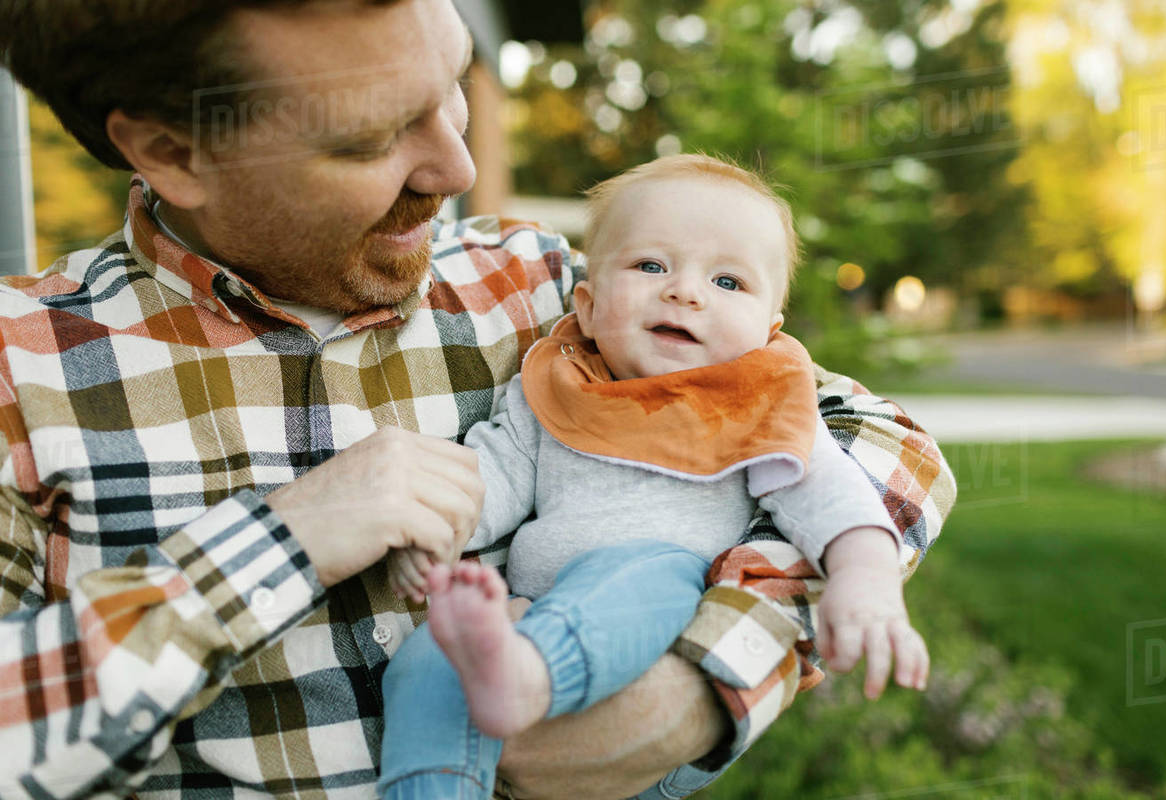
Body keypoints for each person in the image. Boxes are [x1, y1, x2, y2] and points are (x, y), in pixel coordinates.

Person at [0, 1, 957, 798]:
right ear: (173, 151)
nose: (454, 167)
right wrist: (279, 543)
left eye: (453, 85)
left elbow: (875, 442)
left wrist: (700, 685)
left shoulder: (538, 283)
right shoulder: (22, 370)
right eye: (372, 136)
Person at [377, 155, 931, 800]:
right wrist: (438, 528)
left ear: (768, 330)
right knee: (426, 660)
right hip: (529, 620)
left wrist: (866, 578)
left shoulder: (757, 401)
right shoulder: (556, 387)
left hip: (655, 635)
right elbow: (494, 474)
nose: (685, 292)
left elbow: (831, 494)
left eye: (728, 282)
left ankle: (531, 673)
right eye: (650, 266)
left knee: (647, 567)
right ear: (586, 307)